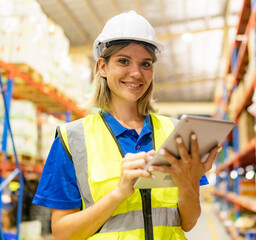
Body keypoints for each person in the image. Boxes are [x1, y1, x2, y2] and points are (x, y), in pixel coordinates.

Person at [33, 11, 222, 239]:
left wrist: (188, 184)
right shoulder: (72, 138)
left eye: (146, 64)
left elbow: (188, 223)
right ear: (102, 67)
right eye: (124, 61)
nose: (136, 73)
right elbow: (62, 233)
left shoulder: (175, 132)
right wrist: (119, 193)